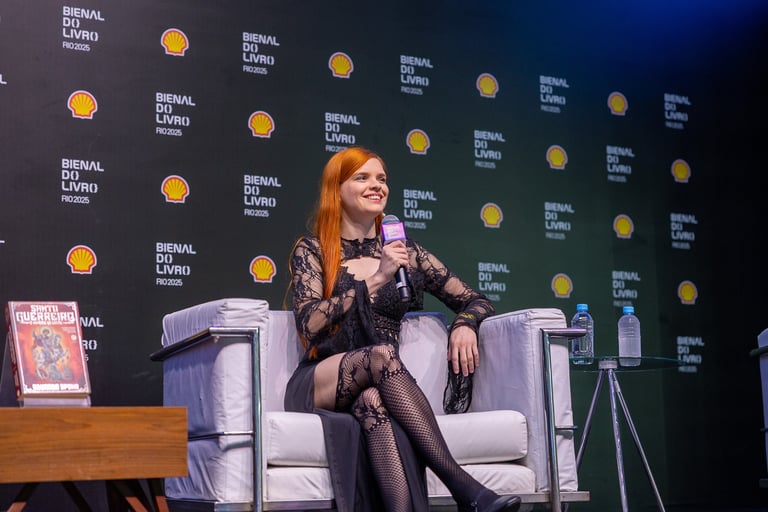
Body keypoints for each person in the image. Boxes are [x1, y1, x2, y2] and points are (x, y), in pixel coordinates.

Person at [284, 147, 521, 512]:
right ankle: (463, 487)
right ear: (337, 189)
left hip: (375, 382)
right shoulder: (314, 250)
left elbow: (476, 300)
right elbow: (309, 322)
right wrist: (376, 279)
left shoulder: (405, 252)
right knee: (381, 356)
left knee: (372, 401)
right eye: (362, 178)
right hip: (322, 379)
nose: (376, 185)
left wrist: (465, 323)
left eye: (381, 179)